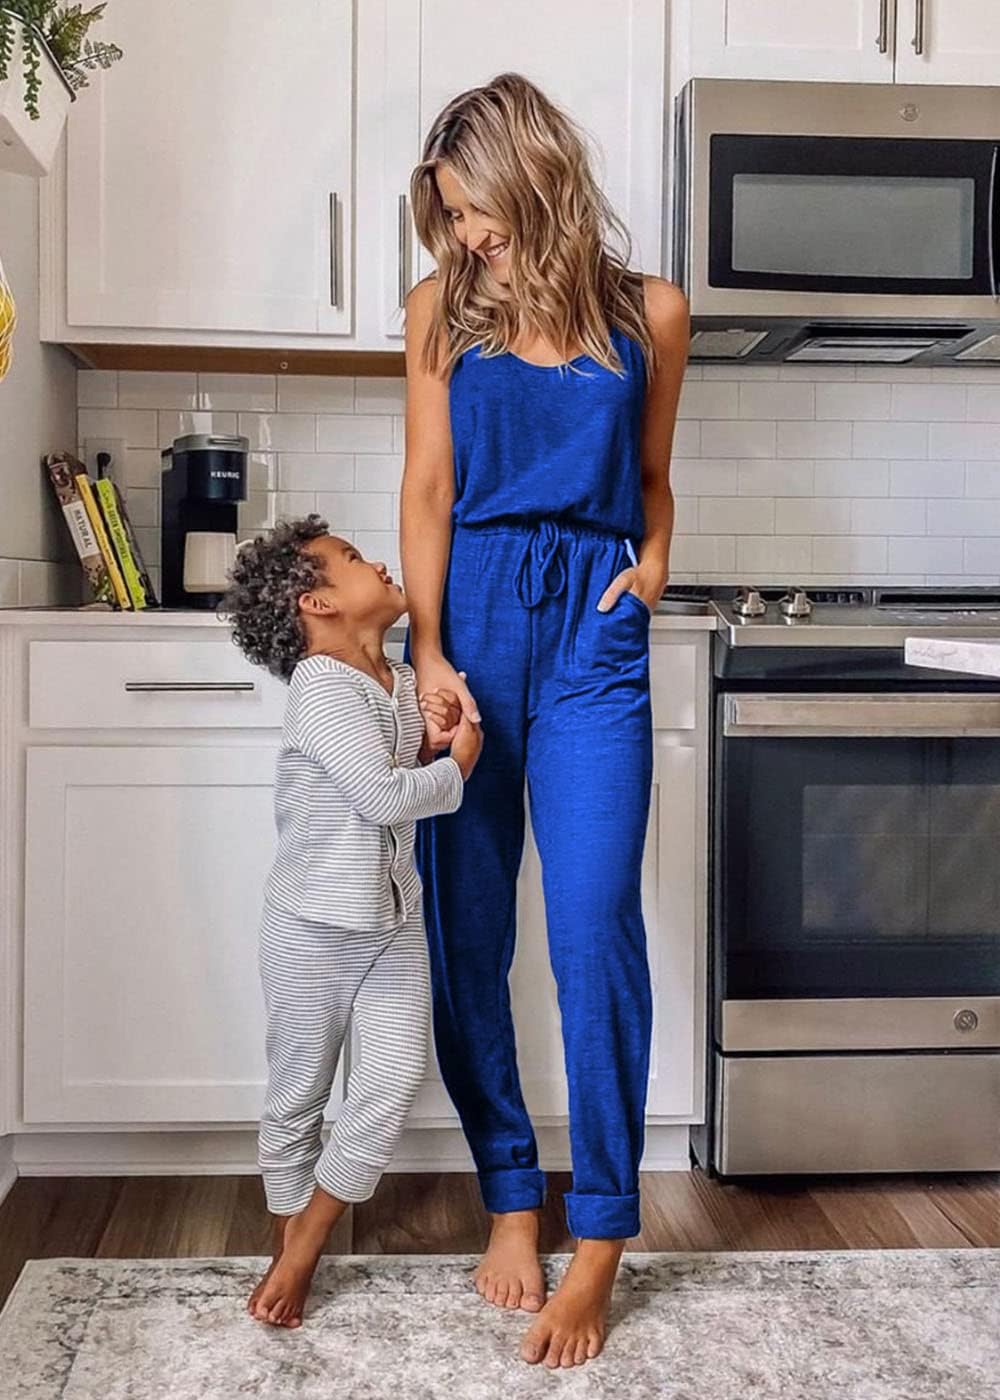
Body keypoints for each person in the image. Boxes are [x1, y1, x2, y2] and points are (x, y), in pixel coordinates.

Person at [401, 72, 689, 1369]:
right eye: (453, 216)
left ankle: (603, 1236)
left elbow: (653, 480)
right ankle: (511, 1195)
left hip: (591, 632)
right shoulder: (439, 311)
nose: (468, 236)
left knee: (592, 928)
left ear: (538, 180)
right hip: (473, 622)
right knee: (468, 927)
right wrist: (429, 652)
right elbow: (426, 488)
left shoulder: (652, 315)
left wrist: (653, 566)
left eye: (480, 210)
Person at [224, 517, 483, 1329]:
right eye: (352, 559)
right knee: (298, 1093)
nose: (376, 562)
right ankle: (290, 1245)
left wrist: (431, 738)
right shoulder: (322, 686)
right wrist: (458, 765)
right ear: (319, 602)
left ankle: (306, 1241)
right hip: (311, 929)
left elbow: (391, 771)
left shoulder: (395, 679)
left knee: (392, 1082)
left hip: (391, 919)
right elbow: (379, 797)